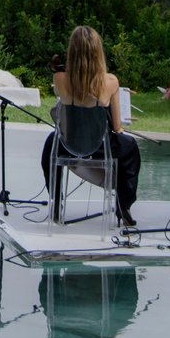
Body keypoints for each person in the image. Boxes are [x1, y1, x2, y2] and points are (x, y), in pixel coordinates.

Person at [43, 26, 139, 228]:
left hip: (69, 144)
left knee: (50, 145)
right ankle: (124, 206)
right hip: (100, 146)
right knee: (130, 147)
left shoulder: (60, 79)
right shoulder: (111, 81)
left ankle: (56, 203)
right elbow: (117, 126)